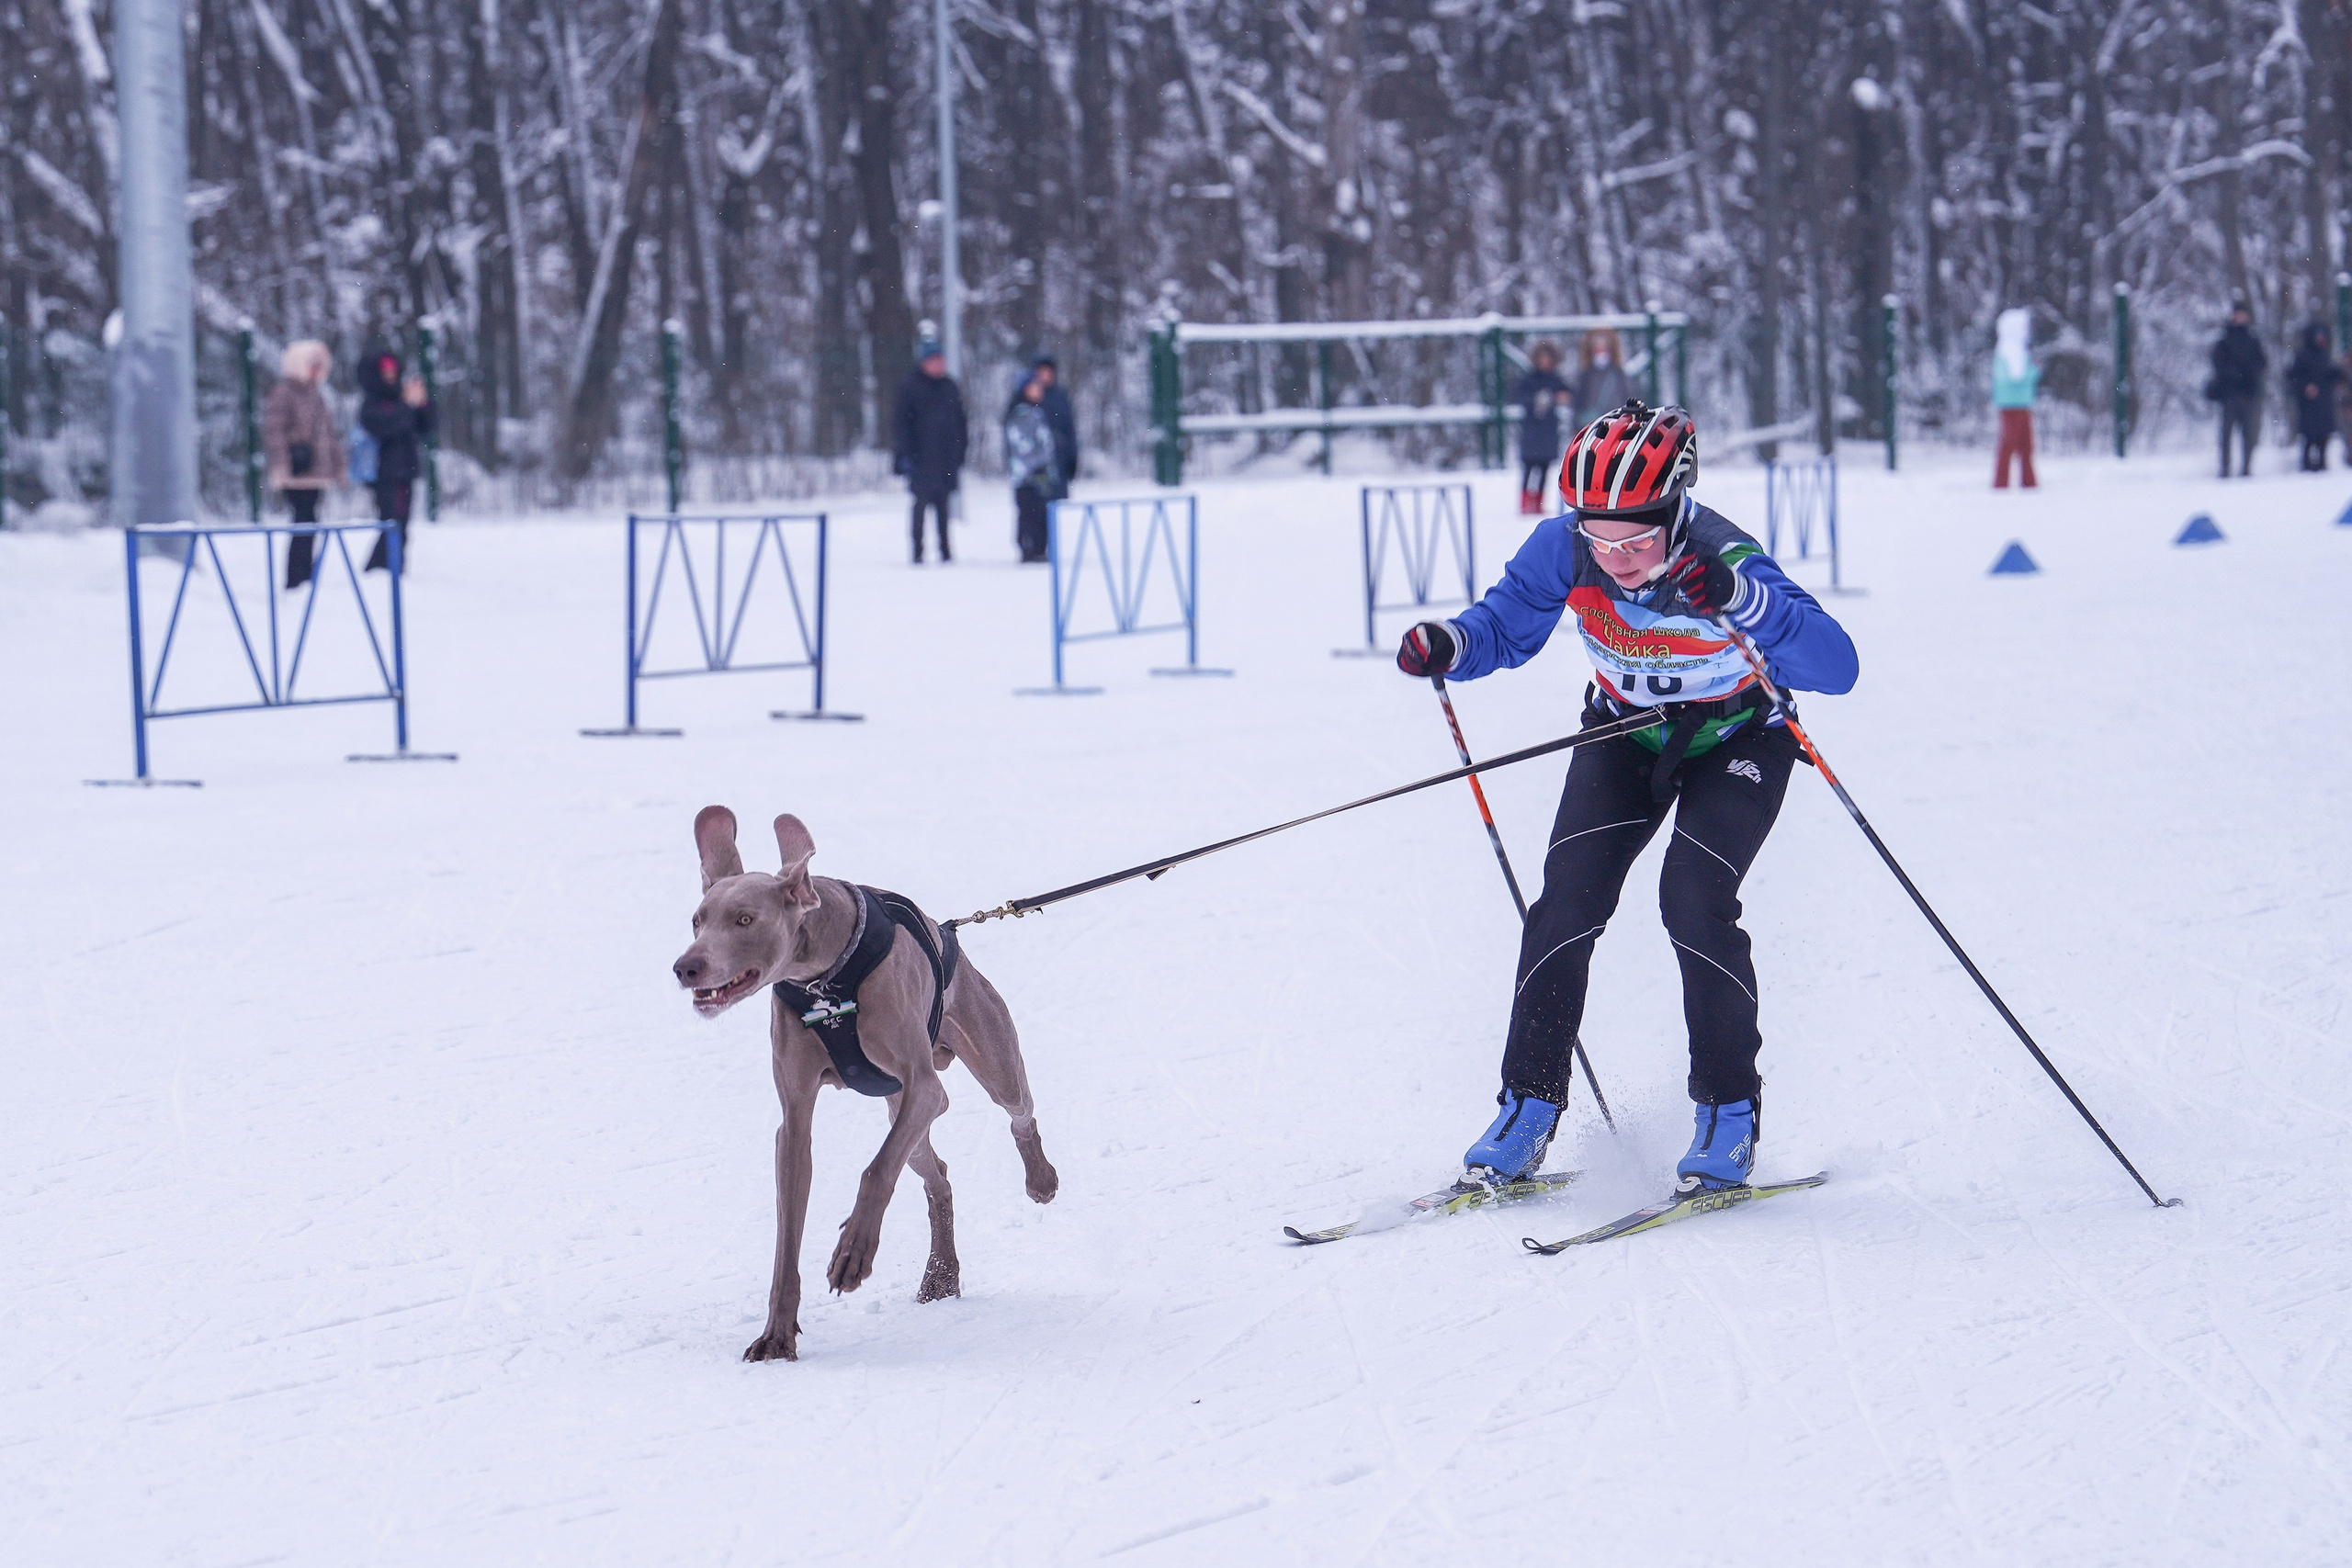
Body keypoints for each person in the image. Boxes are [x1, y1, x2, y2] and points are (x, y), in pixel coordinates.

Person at [1395, 400, 1860, 1197]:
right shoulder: (1565, 545)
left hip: (1739, 738)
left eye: (1637, 539)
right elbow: (1504, 626)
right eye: (1598, 537)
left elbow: (1837, 665)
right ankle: (1528, 1106)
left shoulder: (1724, 555)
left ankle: (1727, 1115)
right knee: (1566, 902)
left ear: (1676, 511)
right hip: (1625, 731)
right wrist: (1453, 644)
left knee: (1694, 898)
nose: (1614, 557)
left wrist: (1741, 600)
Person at [261, 340, 346, 589]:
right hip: (296, 472)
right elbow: (274, 433)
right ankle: (296, 578)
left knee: (310, 521)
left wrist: (338, 467)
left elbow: (328, 435)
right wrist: (282, 468)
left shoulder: (316, 395)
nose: (315, 371)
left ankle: (305, 575)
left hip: (316, 472)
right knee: (303, 520)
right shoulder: (284, 393)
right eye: (312, 365)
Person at [356, 340, 435, 571]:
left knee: (401, 523)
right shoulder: (372, 402)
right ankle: (382, 569)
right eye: (385, 371)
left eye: (393, 370)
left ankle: (392, 569)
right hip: (383, 472)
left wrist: (422, 404)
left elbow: (426, 428)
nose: (390, 375)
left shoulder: (401, 399)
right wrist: (408, 407)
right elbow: (384, 426)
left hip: (406, 470)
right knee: (391, 522)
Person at [891, 338, 968, 564]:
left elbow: (960, 423)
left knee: (943, 505)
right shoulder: (909, 386)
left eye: (940, 360)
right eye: (933, 360)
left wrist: (960, 450)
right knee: (920, 504)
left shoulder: (949, 386)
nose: (938, 365)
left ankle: (945, 549)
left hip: (945, 459)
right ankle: (917, 551)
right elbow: (901, 424)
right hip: (920, 458)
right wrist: (905, 455)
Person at [1003, 366, 1065, 563]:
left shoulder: (1036, 412)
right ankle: (1030, 550)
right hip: (1027, 478)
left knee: (1041, 515)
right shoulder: (1020, 414)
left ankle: (1039, 549)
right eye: (1034, 386)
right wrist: (1040, 461)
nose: (1039, 390)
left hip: (1040, 477)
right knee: (1030, 515)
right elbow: (1022, 447)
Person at [2206, 301, 2267, 479]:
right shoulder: (2224, 341)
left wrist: (2249, 375)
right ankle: (2225, 468)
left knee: (2248, 434)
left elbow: (2261, 363)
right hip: (2229, 394)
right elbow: (2218, 364)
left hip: (2248, 393)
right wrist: (2235, 375)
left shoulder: (2253, 340)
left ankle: (2246, 467)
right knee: (2226, 434)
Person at [1511, 340, 1570, 514]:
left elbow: (1568, 393)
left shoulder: (1555, 379)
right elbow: (1518, 396)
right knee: (1528, 468)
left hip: (1548, 431)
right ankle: (1524, 503)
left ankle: (1539, 503)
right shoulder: (1529, 379)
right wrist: (1537, 399)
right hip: (1531, 431)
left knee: (1544, 469)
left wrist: (1560, 397)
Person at [1991, 308, 2040, 490]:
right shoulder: (2008, 351)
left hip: (2021, 402)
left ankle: (2028, 482)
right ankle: (2002, 483)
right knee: (2010, 444)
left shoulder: (2017, 350)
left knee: (2025, 445)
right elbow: (2015, 376)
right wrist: (2033, 371)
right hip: (2012, 404)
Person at [2284, 321, 2342, 472]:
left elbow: (2330, 374)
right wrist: (2305, 387)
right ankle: (2306, 464)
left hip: (2324, 401)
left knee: (2324, 435)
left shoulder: (2325, 354)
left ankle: (2322, 462)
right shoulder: (2303, 355)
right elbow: (2293, 376)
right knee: (2309, 436)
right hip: (2308, 403)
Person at [1028, 355, 1080, 494]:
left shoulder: (1060, 397)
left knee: (1056, 507)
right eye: (1041, 372)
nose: (1044, 376)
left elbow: (1069, 430)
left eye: (1047, 372)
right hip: (1034, 466)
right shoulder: (1027, 397)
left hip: (1058, 462)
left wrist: (1072, 460)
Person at [1569, 328, 1634, 434]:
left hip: (1617, 426)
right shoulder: (1585, 376)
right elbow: (1578, 404)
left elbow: (1627, 397)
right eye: (1597, 349)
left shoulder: (1618, 374)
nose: (1601, 353)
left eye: (1604, 349)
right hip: (1593, 429)